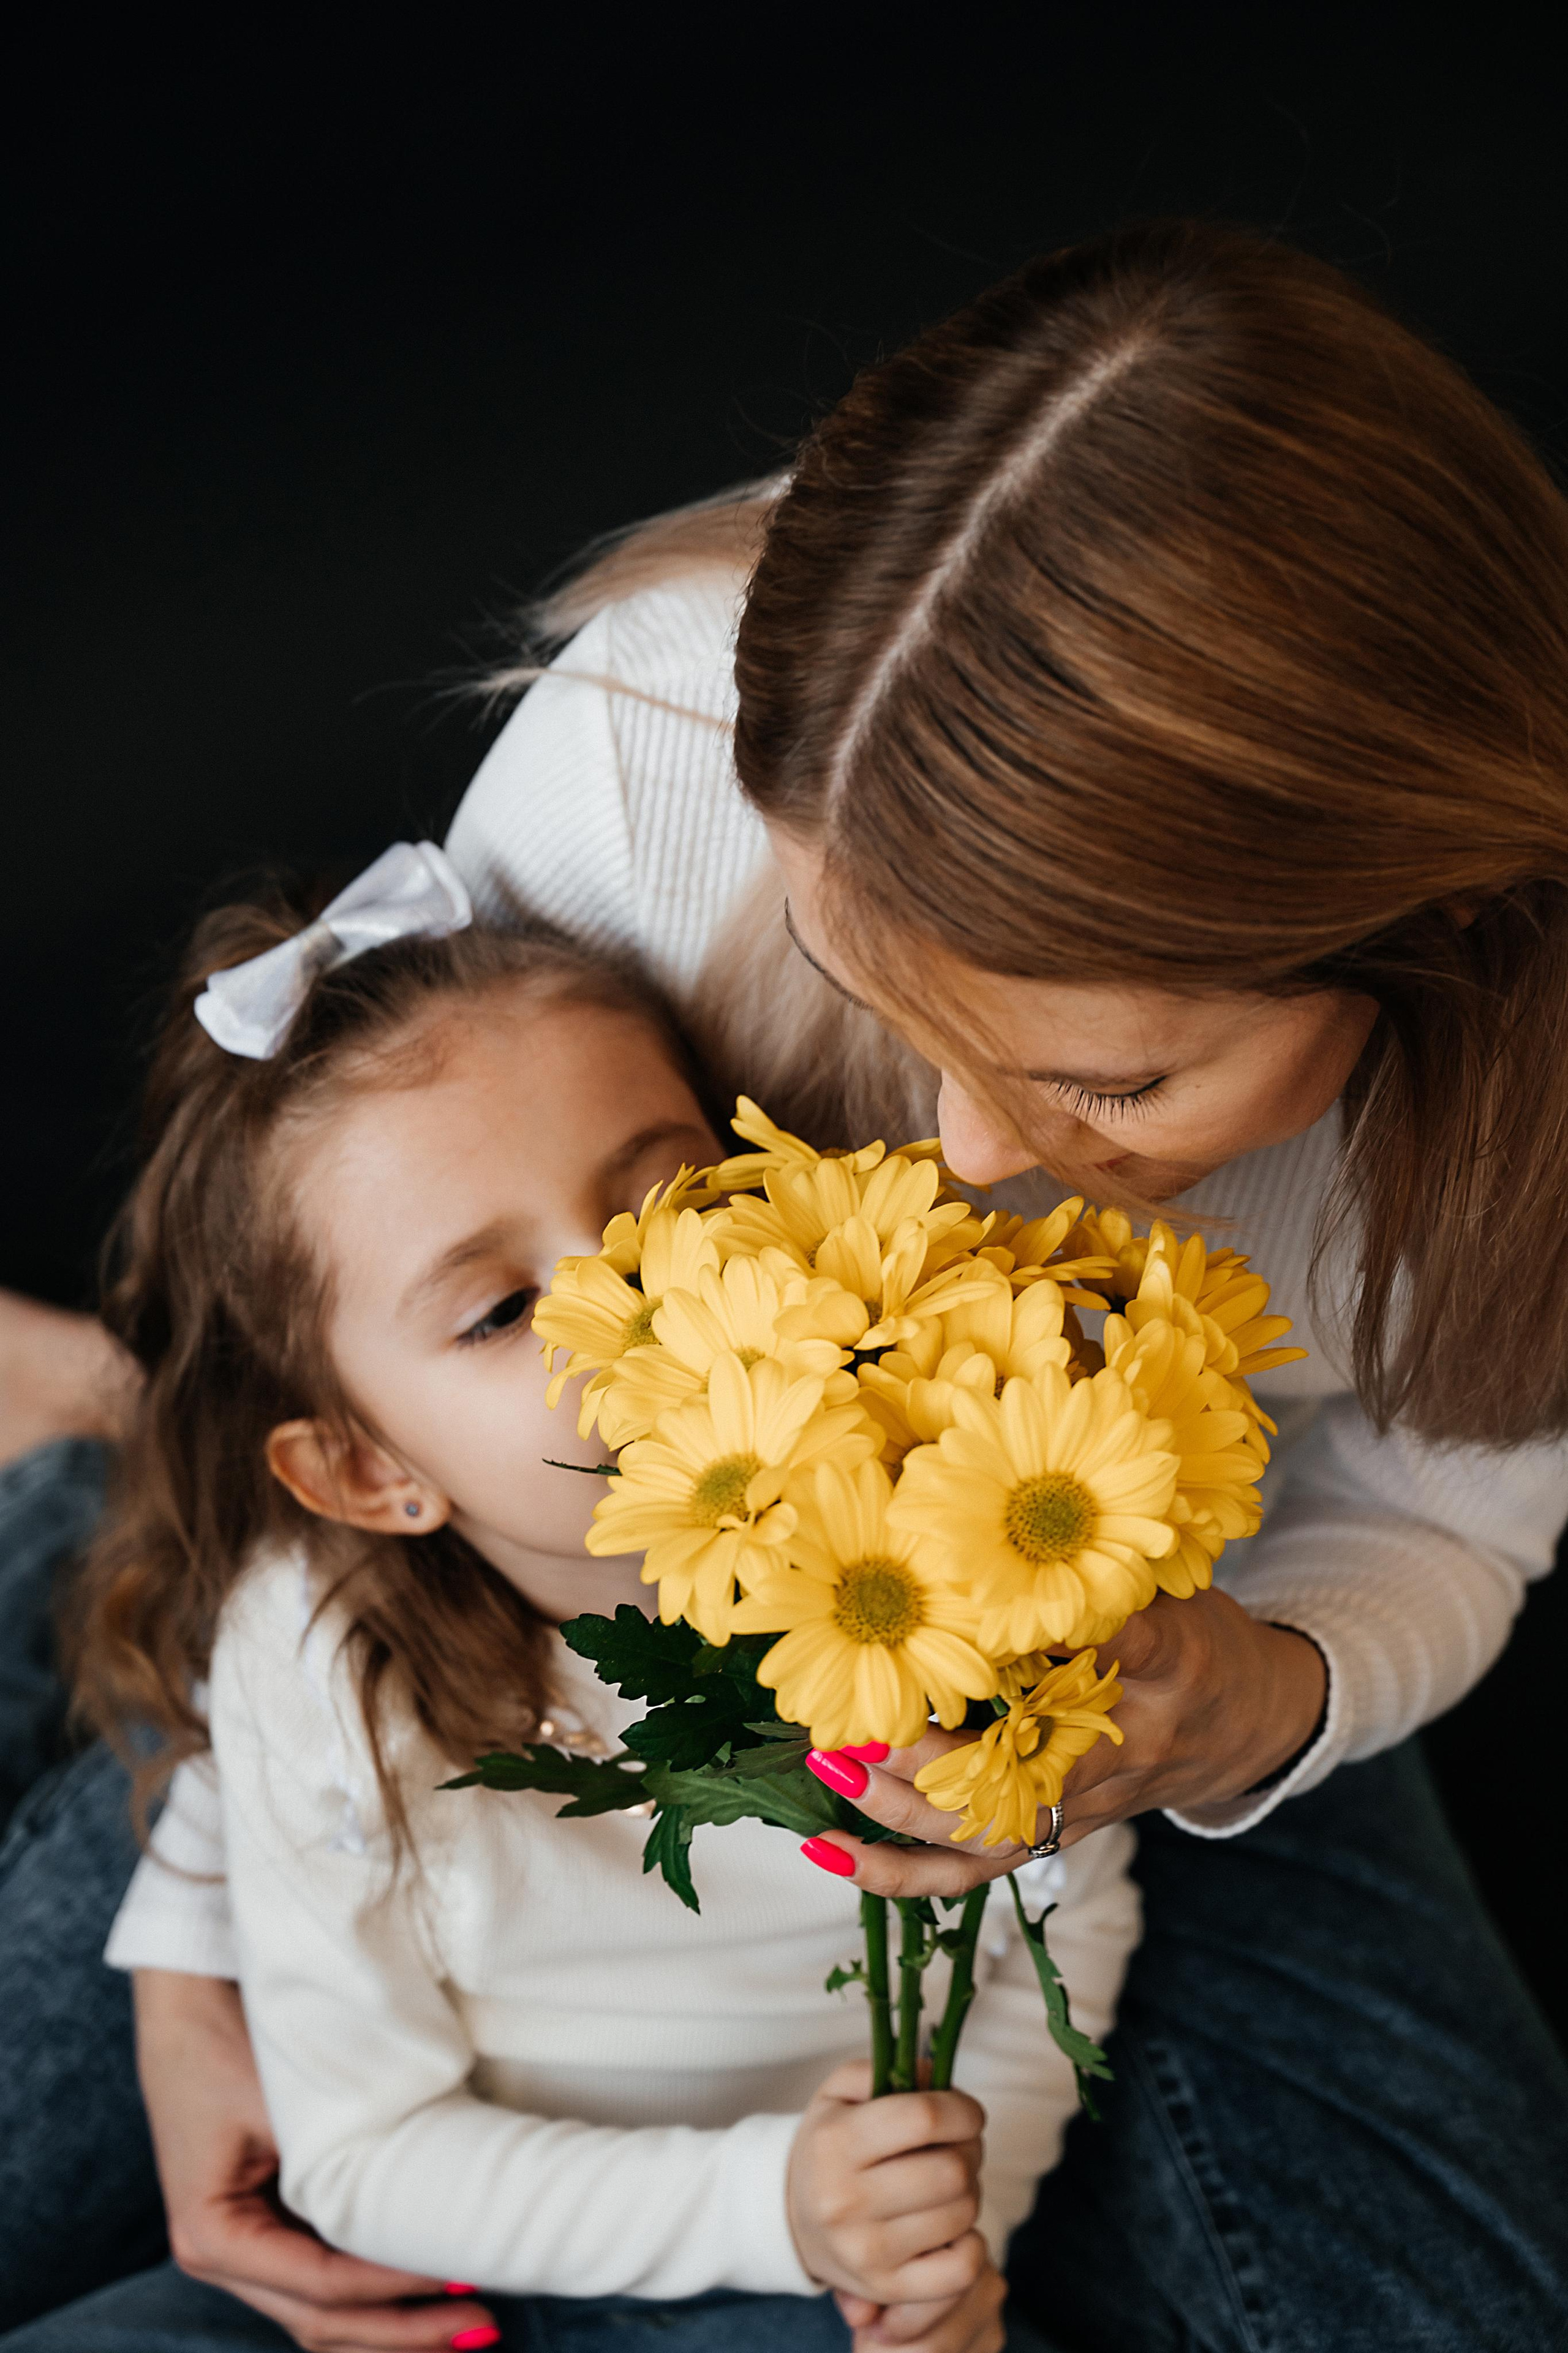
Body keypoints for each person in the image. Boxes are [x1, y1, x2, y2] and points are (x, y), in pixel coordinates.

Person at [2, 218, 1566, 2350]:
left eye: (1109, 1075)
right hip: (508, 1574)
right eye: (864, 990)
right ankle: (85, 1441)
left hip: (1142, 1621)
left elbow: (1454, 1504)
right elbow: (378, 1257)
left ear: (1444, 912)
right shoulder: (654, 771)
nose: (974, 1150)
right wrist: (197, 1913)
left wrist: (1258, 1694)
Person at [6, 848, 1125, 2352]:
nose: (631, 1299)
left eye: (670, 1203)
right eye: (502, 1306)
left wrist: (935, 2229)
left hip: (800, 2275)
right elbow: (362, 2151)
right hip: (467, 2254)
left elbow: (1070, 1911)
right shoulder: (326, 1660)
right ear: (361, 1466)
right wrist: (766, 2202)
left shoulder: (950, 1540)